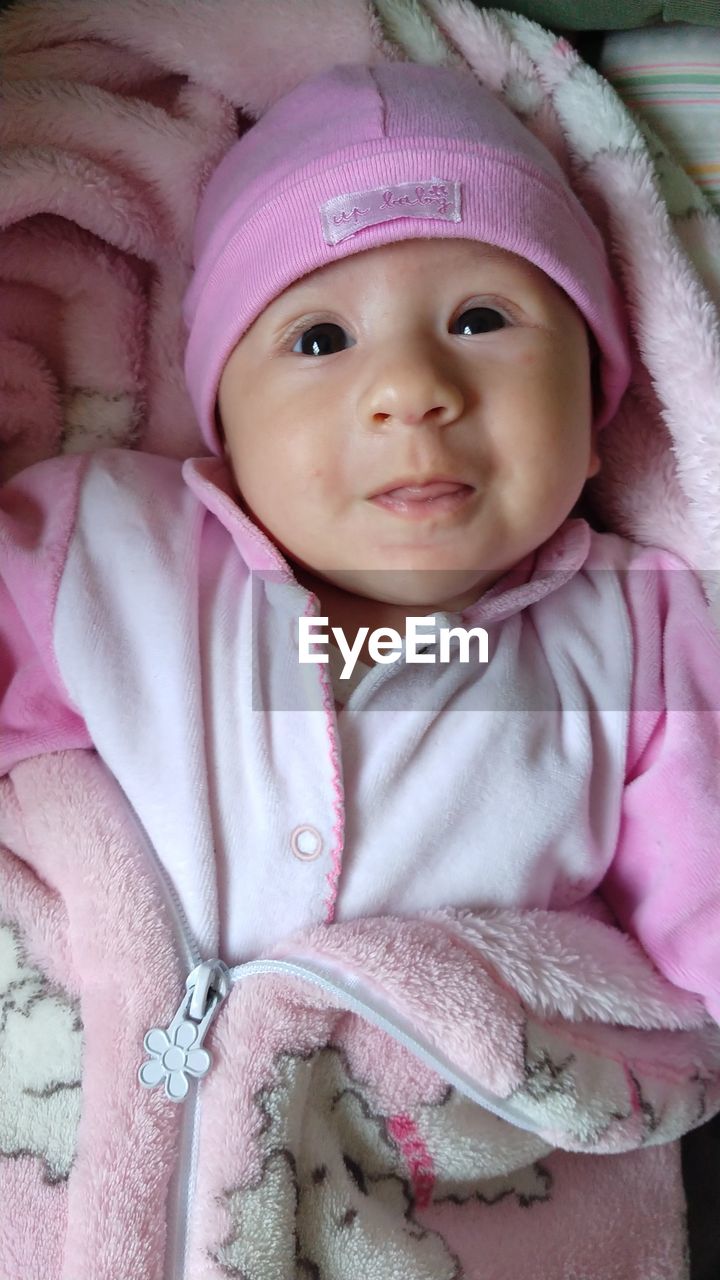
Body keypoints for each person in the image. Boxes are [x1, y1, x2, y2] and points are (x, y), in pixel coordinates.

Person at [1, 62, 719, 1015]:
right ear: (227, 426)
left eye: (480, 319)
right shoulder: (99, 553)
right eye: (320, 340)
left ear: (594, 420)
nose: (409, 388)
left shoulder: (641, 639)